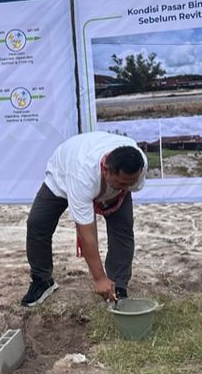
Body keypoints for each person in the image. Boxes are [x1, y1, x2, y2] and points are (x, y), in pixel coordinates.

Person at [22, 131, 146, 307]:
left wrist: (119, 189)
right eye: (121, 183)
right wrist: (99, 278)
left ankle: (118, 287)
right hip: (63, 177)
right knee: (37, 223)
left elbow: (126, 184)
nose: (126, 187)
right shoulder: (81, 176)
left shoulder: (138, 167)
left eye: (130, 183)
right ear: (106, 170)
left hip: (98, 179)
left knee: (123, 229)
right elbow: (86, 233)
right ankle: (42, 281)